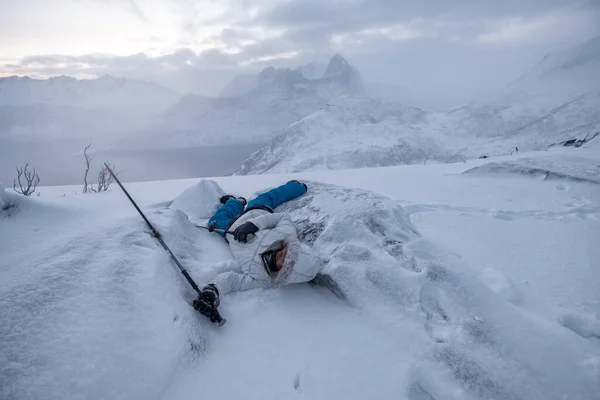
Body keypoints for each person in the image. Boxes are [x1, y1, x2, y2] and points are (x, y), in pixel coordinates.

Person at [193, 180, 323, 318]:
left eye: (284, 261)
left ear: (286, 273)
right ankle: (295, 187)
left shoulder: (263, 279)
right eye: (285, 252)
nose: (280, 254)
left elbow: (233, 281)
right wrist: (253, 225)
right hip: (255, 213)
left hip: (231, 229)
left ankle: (233, 202)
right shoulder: (286, 233)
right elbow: (282, 217)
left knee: (216, 221)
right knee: (268, 197)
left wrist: (213, 291)